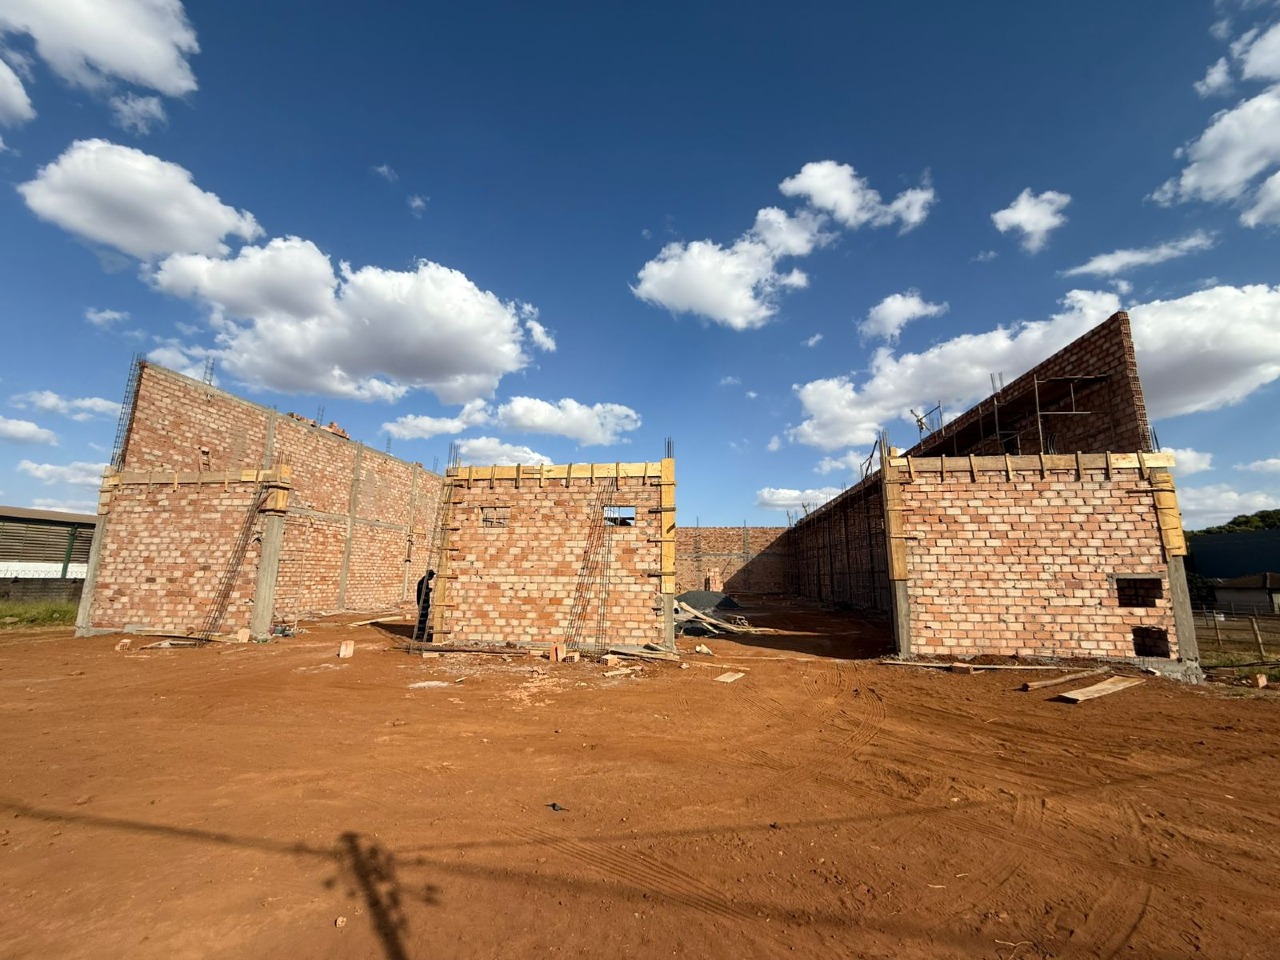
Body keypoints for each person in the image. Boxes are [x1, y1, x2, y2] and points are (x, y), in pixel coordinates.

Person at [414, 569, 435, 640]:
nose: (432, 578)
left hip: (425, 603)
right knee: (422, 619)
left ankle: (422, 633)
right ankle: (420, 634)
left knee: (424, 618)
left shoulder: (425, 581)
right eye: (432, 576)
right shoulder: (423, 582)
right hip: (422, 603)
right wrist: (429, 590)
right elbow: (423, 591)